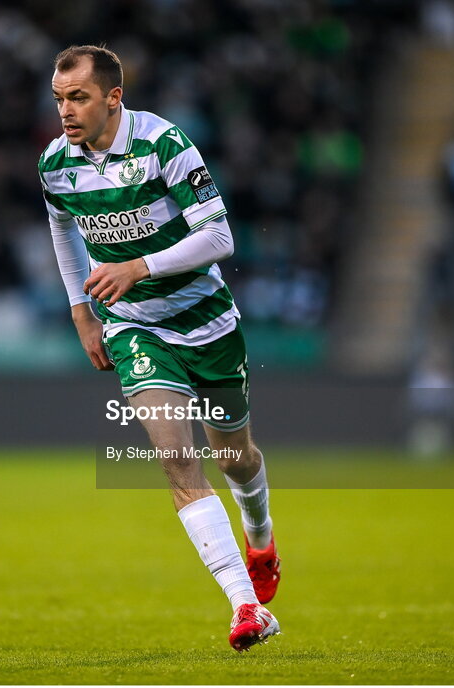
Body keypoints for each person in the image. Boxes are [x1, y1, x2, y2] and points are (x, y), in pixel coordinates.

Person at [38, 45, 281, 652]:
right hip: (134, 327)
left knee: (235, 457)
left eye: (79, 97)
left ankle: (261, 534)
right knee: (177, 461)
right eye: (60, 98)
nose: (66, 110)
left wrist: (136, 266)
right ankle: (246, 609)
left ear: (113, 98)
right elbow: (63, 229)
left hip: (207, 321)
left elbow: (220, 235)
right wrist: (80, 310)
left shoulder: (164, 144)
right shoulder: (54, 164)